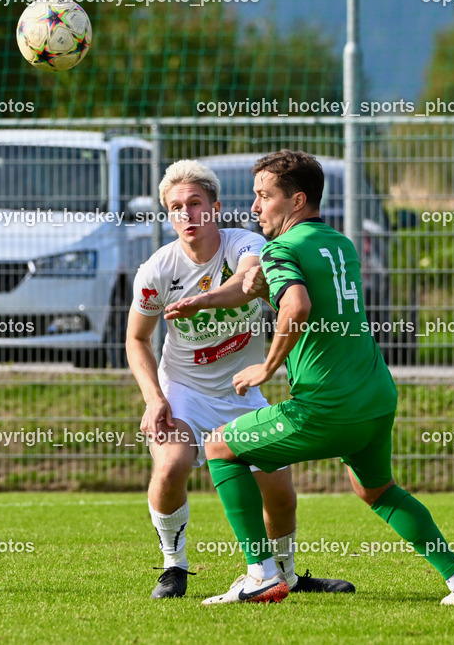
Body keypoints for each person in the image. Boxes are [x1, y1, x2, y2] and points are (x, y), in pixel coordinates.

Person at [200, 150, 454, 606]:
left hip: (327, 406)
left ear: (296, 201)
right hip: (375, 396)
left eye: (263, 196)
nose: (255, 207)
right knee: (376, 489)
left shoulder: (281, 248)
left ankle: (261, 574)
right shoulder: (341, 243)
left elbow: (296, 306)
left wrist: (266, 367)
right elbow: (295, 291)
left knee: (219, 446)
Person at [126, 159, 355, 599]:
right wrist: (154, 398)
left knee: (280, 491)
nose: (186, 215)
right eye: (176, 208)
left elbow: (251, 279)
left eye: (195, 203)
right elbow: (137, 338)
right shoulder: (156, 271)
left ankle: (284, 576)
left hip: (241, 389)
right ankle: (174, 568)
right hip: (185, 392)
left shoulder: (244, 244)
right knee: (171, 465)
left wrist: (204, 300)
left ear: (214, 207)